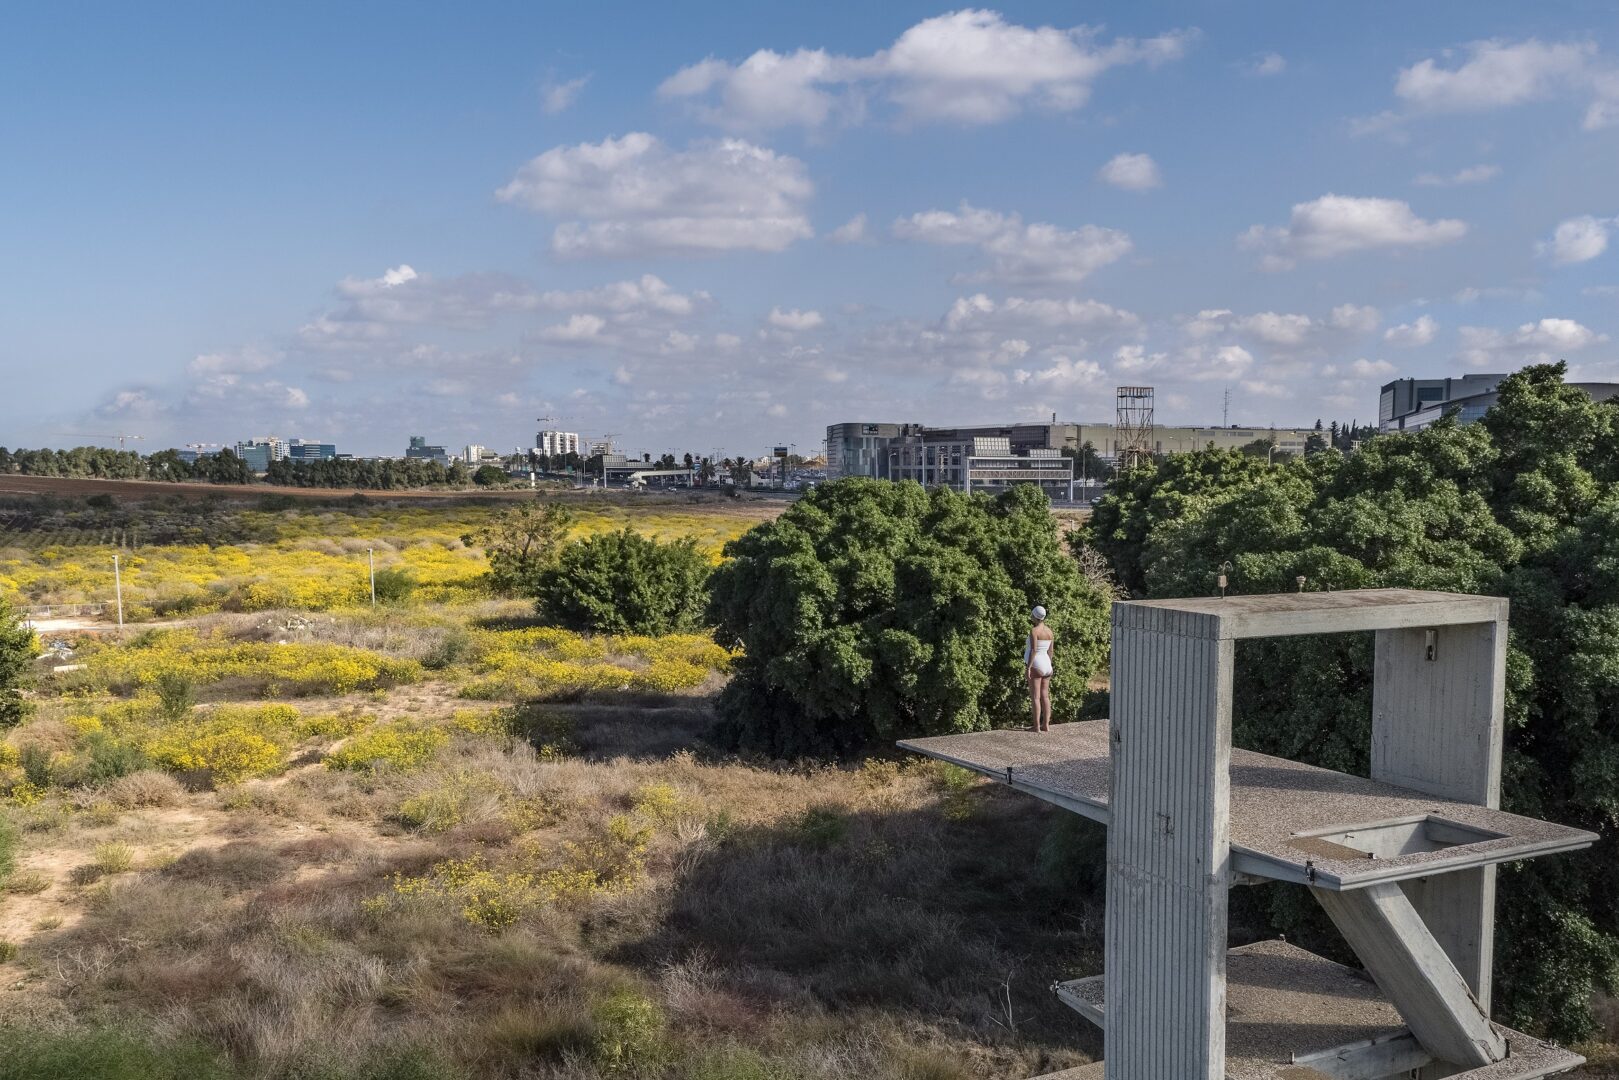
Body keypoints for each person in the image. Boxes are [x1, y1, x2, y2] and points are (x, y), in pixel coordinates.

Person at [1024, 605, 1054, 732]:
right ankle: (1046, 725)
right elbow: (1051, 650)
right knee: (1045, 696)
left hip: (1036, 664)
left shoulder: (1034, 631)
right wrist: (1049, 664)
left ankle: (1036, 726)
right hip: (1047, 664)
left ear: (1034, 616)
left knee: (1035, 697)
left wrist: (1028, 667)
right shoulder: (1049, 631)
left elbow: (1034, 650)